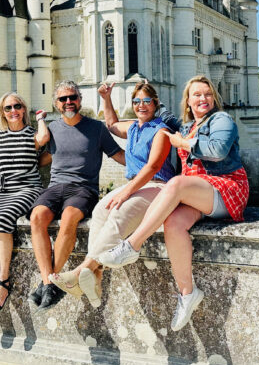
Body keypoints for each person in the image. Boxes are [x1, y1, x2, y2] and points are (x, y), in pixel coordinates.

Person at [98, 75, 249, 331]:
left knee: (176, 184)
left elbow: (218, 151)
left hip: (226, 187)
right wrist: (112, 96)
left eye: (208, 94)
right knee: (173, 223)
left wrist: (184, 144)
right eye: (197, 95)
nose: (203, 99)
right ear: (188, 101)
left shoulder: (221, 119)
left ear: (214, 98)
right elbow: (153, 112)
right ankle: (187, 293)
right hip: (199, 194)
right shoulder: (188, 124)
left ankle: (132, 246)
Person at [49, 81, 175, 307]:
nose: (141, 106)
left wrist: (126, 191)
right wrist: (106, 98)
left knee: (118, 214)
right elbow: (112, 123)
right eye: (137, 102)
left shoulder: (161, 131)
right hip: (139, 185)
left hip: (159, 187)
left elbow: (153, 167)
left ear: (155, 104)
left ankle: (80, 271)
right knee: (100, 211)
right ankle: (95, 278)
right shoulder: (134, 127)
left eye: (147, 101)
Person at [28, 80, 125, 311]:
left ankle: (48, 284)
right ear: (56, 104)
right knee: (36, 217)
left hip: (84, 188)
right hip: (55, 187)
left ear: (80, 100)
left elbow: (117, 154)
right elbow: (45, 158)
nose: (68, 102)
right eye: (63, 99)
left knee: (70, 217)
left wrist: (151, 166)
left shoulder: (96, 128)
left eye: (73, 97)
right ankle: (49, 283)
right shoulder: (51, 129)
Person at [0, 92, 48, 321]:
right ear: (2, 112)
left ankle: (3, 283)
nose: (13, 111)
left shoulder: (31, 134)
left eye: (17, 106)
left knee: (4, 221)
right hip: (4, 190)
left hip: (28, 188)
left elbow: (43, 138)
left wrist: (41, 118)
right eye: (7, 108)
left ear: (24, 109)